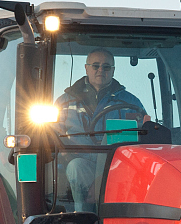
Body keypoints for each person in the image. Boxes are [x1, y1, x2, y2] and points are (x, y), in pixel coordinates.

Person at [56, 48, 150, 210]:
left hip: (117, 167)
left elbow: (144, 138)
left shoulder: (132, 104)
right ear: (86, 68)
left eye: (106, 67)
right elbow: (51, 135)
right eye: (96, 65)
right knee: (76, 167)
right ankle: (84, 220)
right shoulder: (64, 102)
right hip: (78, 162)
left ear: (113, 70)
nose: (101, 70)